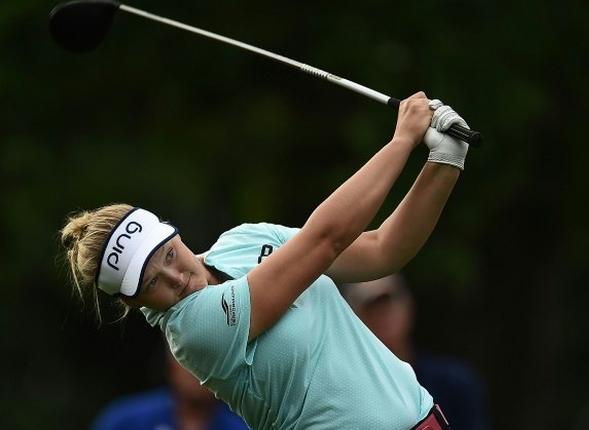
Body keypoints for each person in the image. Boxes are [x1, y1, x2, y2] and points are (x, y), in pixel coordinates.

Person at [61, 92, 468, 430]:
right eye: (151, 283)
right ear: (133, 303)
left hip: (426, 418)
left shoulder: (244, 240)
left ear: (174, 233)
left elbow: (383, 249)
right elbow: (324, 239)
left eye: (169, 254)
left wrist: (445, 161)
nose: (175, 277)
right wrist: (401, 141)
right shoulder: (192, 332)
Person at [341, 274, 491, 430]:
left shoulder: (455, 381)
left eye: (387, 304)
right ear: (352, 320)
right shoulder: (346, 397)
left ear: (409, 306)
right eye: (371, 308)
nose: (382, 316)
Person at [91, 341, 248, 430]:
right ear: (171, 367)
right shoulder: (125, 420)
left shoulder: (242, 427)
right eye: (190, 361)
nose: (199, 372)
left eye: (210, 362)